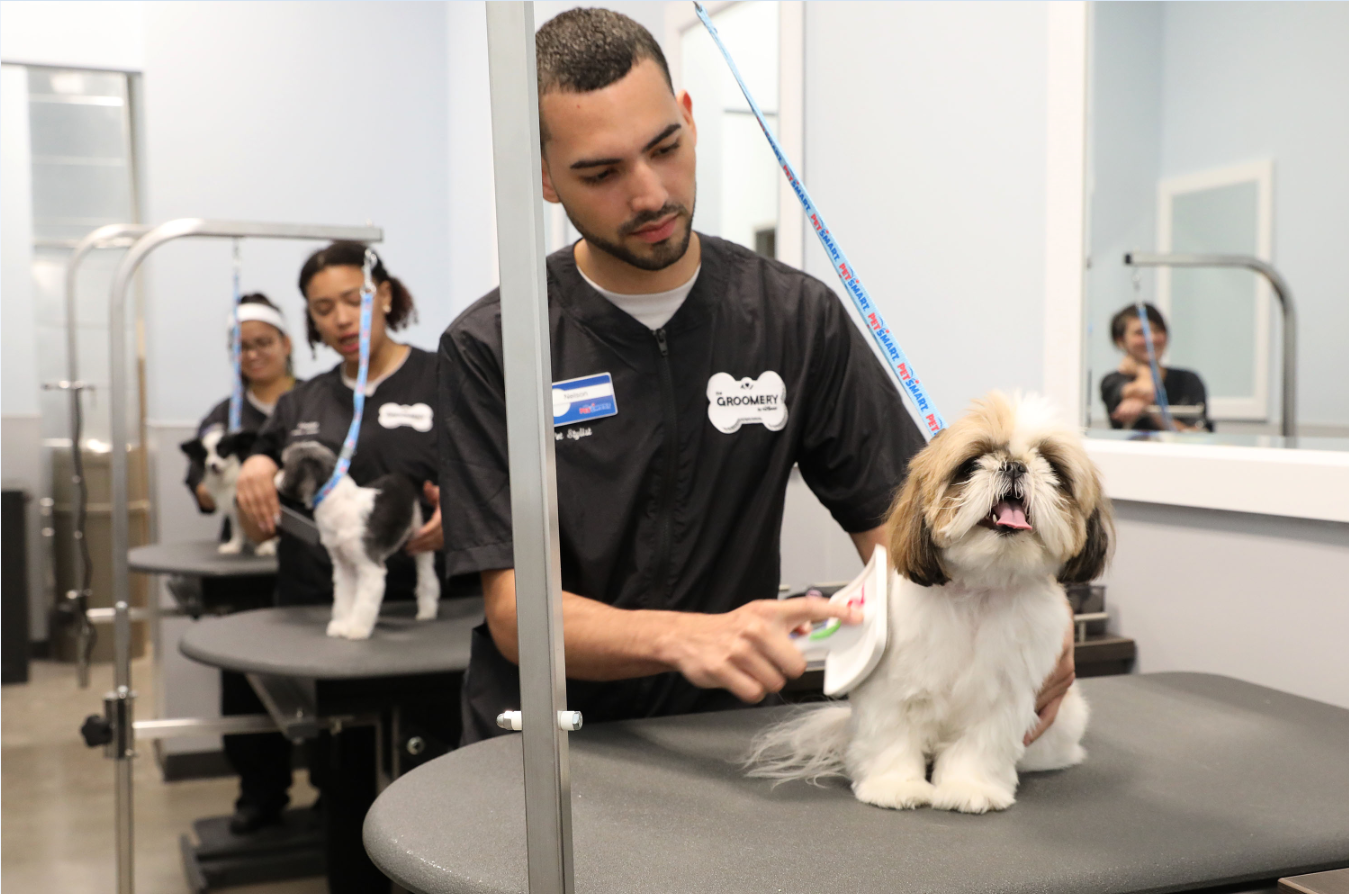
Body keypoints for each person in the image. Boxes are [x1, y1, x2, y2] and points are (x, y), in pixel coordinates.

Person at [438, 8, 1076, 747]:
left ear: (688, 119)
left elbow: (907, 536)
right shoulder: (494, 346)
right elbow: (517, 616)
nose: (649, 194)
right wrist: (687, 637)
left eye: (663, 148)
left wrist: (1031, 609)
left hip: (724, 742)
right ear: (544, 179)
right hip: (546, 742)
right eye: (601, 172)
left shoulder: (793, 318)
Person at [233, 243, 450, 894]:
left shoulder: (447, 378)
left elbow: (488, 470)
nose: (341, 319)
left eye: (352, 300)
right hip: (326, 621)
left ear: (383, 294)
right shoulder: (301, 403)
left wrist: (462, 512)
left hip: (429, 625)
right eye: (321, 309)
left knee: (435, 790)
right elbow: (266, 465)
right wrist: (253, 467)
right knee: (347, 788)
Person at [183, 292, 299, 835]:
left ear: (286, 344)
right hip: (248, 581)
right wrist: (220, 478)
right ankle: (260, 794)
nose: (253, 354)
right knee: (245, 692)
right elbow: (204, 493)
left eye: (263, 343)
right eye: (242, 346)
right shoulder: (222, 418)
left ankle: (333, 795)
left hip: (311, 571)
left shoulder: (316, 402)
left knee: (321, 688)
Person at [1101, 303, 1212, 432]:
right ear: (1120, 340)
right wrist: (1144, 371)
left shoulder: (1188, 379)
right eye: (1140, 333)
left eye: (1158, 330)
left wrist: (1150, 412)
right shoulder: (1112, 381)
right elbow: (1147, 391)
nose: (1151, 338)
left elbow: (1198, 434)